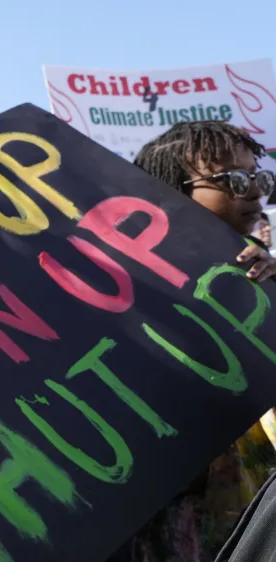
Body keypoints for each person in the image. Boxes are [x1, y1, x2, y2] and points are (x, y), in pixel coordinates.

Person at [118, 121, 276, 562]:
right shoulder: (126, 291)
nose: (253, 192)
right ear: (170, 191)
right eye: (233, 180)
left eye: (258, 178)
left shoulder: (262, 279)